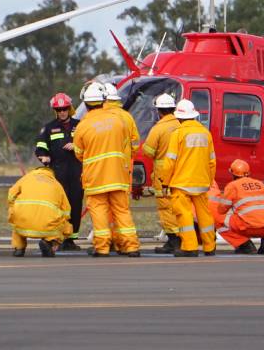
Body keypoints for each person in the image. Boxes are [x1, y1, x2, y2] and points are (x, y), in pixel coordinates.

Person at [73, 82, 140, 257]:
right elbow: (129, 146)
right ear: (104, 101)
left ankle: (102, 248)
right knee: (122, 211)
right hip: (118, 174)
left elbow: (79, 154)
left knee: (99, 211)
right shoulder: (119, 121)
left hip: (96, 178)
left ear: (86, 104)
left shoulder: (82, 126)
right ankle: (131, 246)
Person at [160, 99, 217, 258]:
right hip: (201, 182)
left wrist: (165, 181)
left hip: (181, 183)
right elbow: (212, 160)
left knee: (183, 214)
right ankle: (209, 246)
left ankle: (190, 247)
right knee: (204, 215)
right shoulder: (206, 133)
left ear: (179, 118)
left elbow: (170, 161)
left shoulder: (178, 134)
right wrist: (209, 180)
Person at [35, 92, 84, 251]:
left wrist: (76, 147)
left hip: (77, 172)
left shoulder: (81, 125)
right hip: (58, 173)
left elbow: (89, 145)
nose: (62, 112)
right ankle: (59, 238)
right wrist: (44, 157)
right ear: (55, 111)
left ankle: (71, 239)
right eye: (59, 109)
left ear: (69, 108)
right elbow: (40, 148)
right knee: (60, 207)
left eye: (64, 108)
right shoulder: (49, 128)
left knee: (76, 205)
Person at [7, 154, 73, 257]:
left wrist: (13, 207)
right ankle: (49, 242)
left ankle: (19, 248)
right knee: (67, 225)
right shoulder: (56, 184)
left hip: (23, 222)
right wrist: (62, 221)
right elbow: (66, 210)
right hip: (47, 225)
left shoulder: (26, 177)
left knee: (17, 218)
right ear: (51, 174)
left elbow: (11, 194)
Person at [141, 93, 181, 253]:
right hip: (181, 173)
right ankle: (183, 236)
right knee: (179, 205)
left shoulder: (158, 128)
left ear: (159, 111)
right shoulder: (181, 125)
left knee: (165, 208)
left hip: (164, 174)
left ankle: (174, 240)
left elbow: (148, 151)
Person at [211, 159, 264, 255]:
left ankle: (245, 245)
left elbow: (221, 210)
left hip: (250, 228)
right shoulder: (260, 184)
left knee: (218, 220)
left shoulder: (232, 186)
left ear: (233, 174)